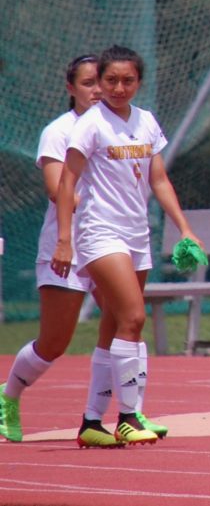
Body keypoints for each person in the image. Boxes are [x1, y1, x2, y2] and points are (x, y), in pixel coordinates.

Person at [50, 45, 202, 446]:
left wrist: (185, 228)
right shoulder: (91, 124)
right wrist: (64, 240)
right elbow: (67, 184)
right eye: (111, 80)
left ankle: (90, 422)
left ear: (139, 82)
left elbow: (159, 180)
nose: (119, 87)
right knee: (133, 317)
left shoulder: (147, 121)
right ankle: (129, 417)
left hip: (137, 235)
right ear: (98, 82)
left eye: (128, 80)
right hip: (100, 233)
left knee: (113, 326)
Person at [0, 56, 118, 446]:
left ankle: (105, 416)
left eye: (101, 81)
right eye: (88, 83)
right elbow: (57, 188)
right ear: (71, 88)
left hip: (108, 243)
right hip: (64, 247)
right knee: (54, 342)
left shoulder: (118, 127)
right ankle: (8, 396)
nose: (97, 90)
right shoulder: (59, 131)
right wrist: (103, 205)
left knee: (124, 320)